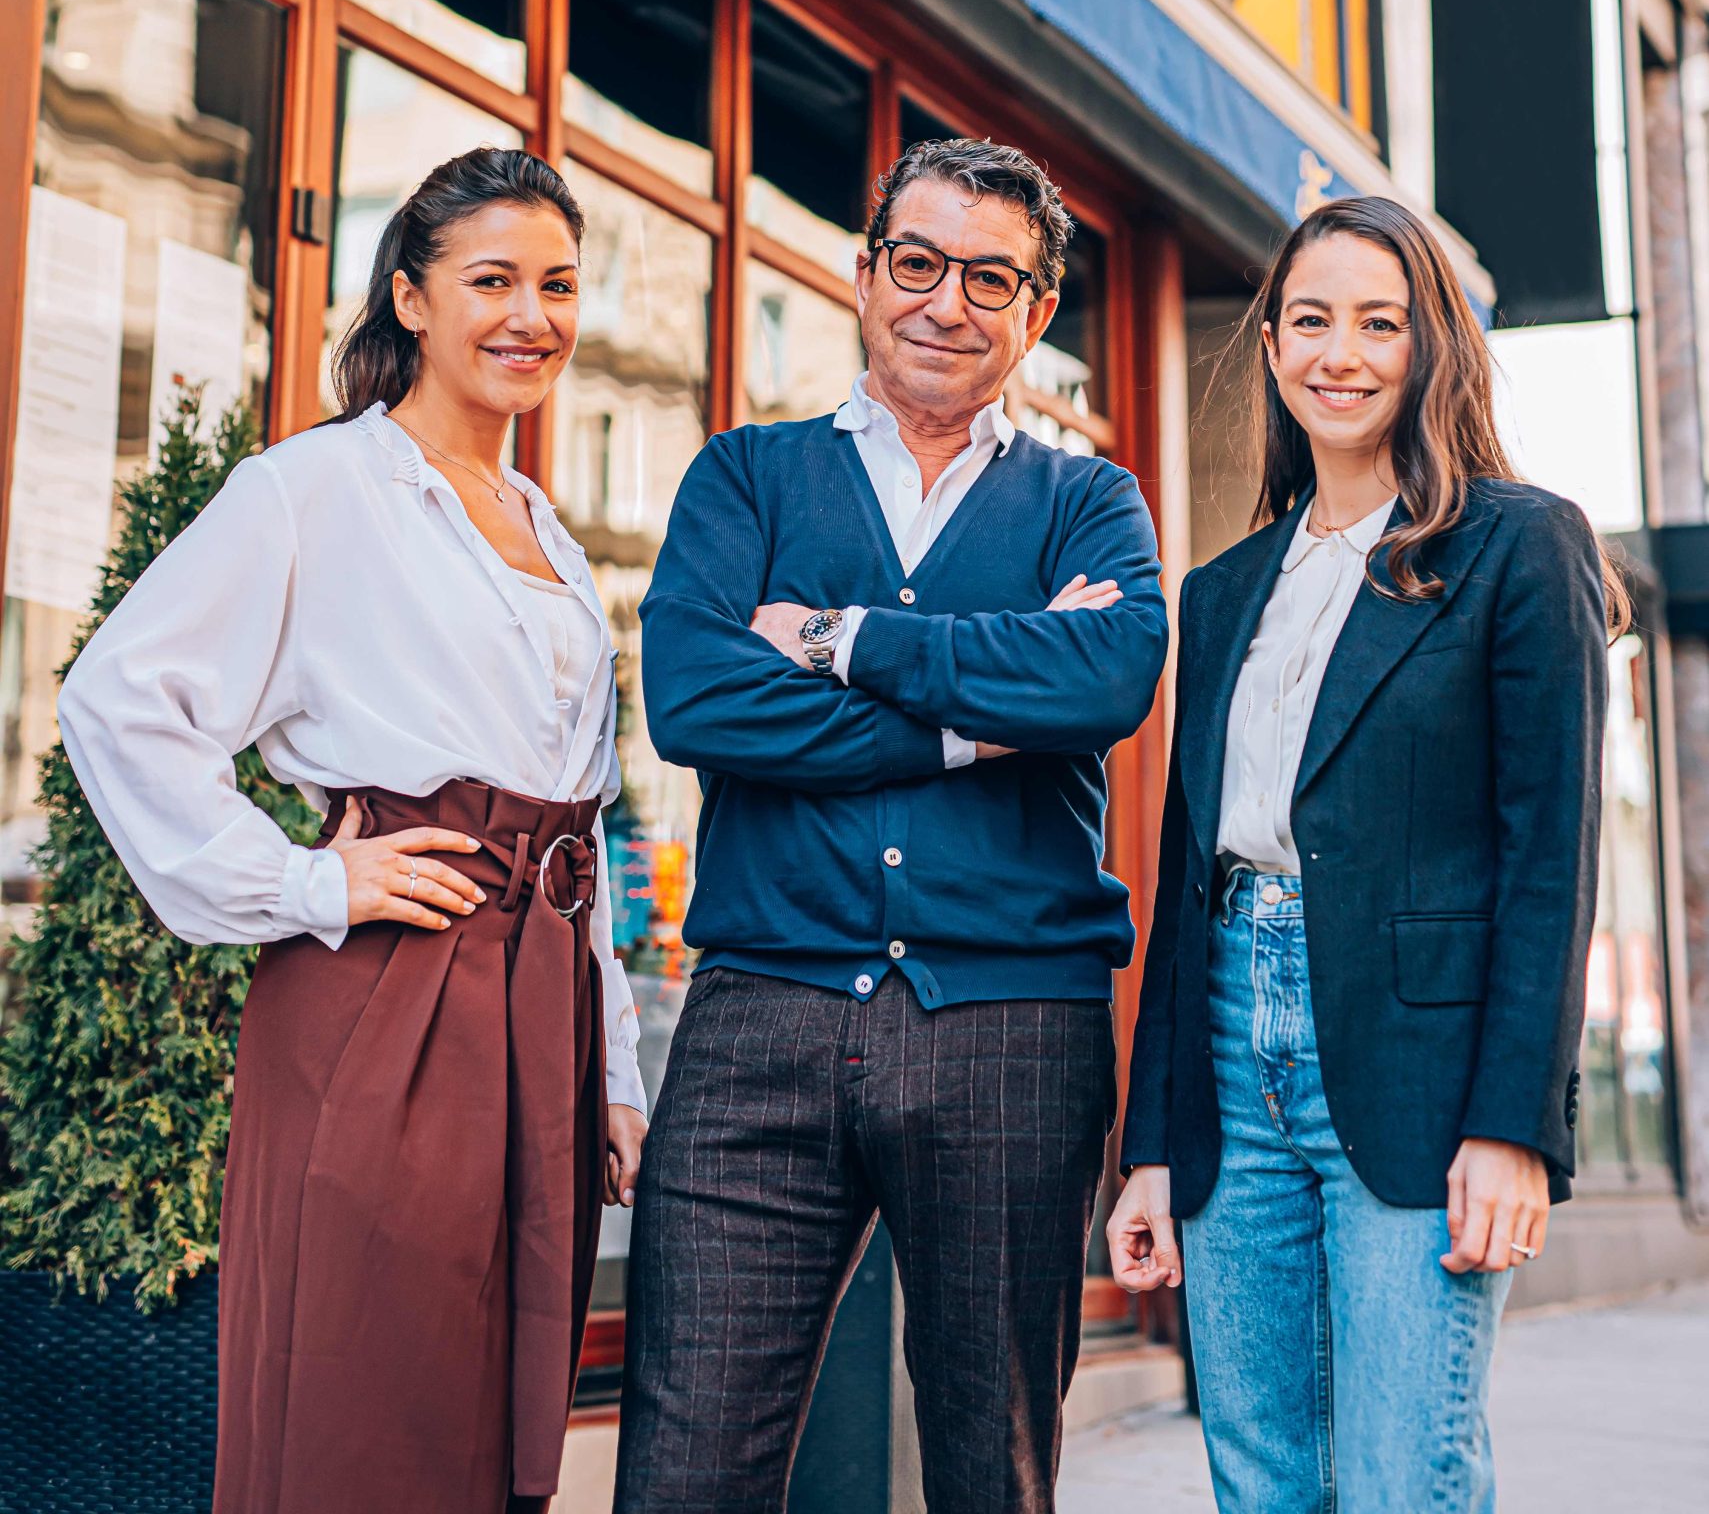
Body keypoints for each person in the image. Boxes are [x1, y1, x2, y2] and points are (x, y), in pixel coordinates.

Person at [57, 147, 647, 1514]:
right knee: (368, 1384)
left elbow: (580, 827)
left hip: (540, 986)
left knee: (504, 1399)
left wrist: (610, 1061)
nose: (529, 316)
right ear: (412, 299)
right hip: (392, 979)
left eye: (556, 285)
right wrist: (305, 879)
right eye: (489, 280)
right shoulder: (313, 491)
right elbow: (119, 700)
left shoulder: (551, 537)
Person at [613, 135, 1169, 1514]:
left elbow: (1103, 677)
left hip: (1010, 1028)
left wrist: (835, 636)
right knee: (688, 1466)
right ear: (864, 278)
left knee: (995, 1467)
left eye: (991, 279)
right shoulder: (745, 477)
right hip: (760, 1014)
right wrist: (975, 717)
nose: (947, 303)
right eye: (917, 264)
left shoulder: (1086, 500)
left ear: (1036, 315)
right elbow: (696, 704)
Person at [1107, 193, 1617, 1513]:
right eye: (1309, 318)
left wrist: (1513, 1124)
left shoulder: (1517, 545)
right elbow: (1184, 885)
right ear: (1269, 343)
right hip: (1230, 1053)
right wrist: (1153, 1142)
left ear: (1428, 346)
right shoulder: (1219, 590)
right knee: (1262, 1478)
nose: (1338, 352)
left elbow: (1546, 860)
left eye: (1376, 322)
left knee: (1403, 1475)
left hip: (1415, 1068)